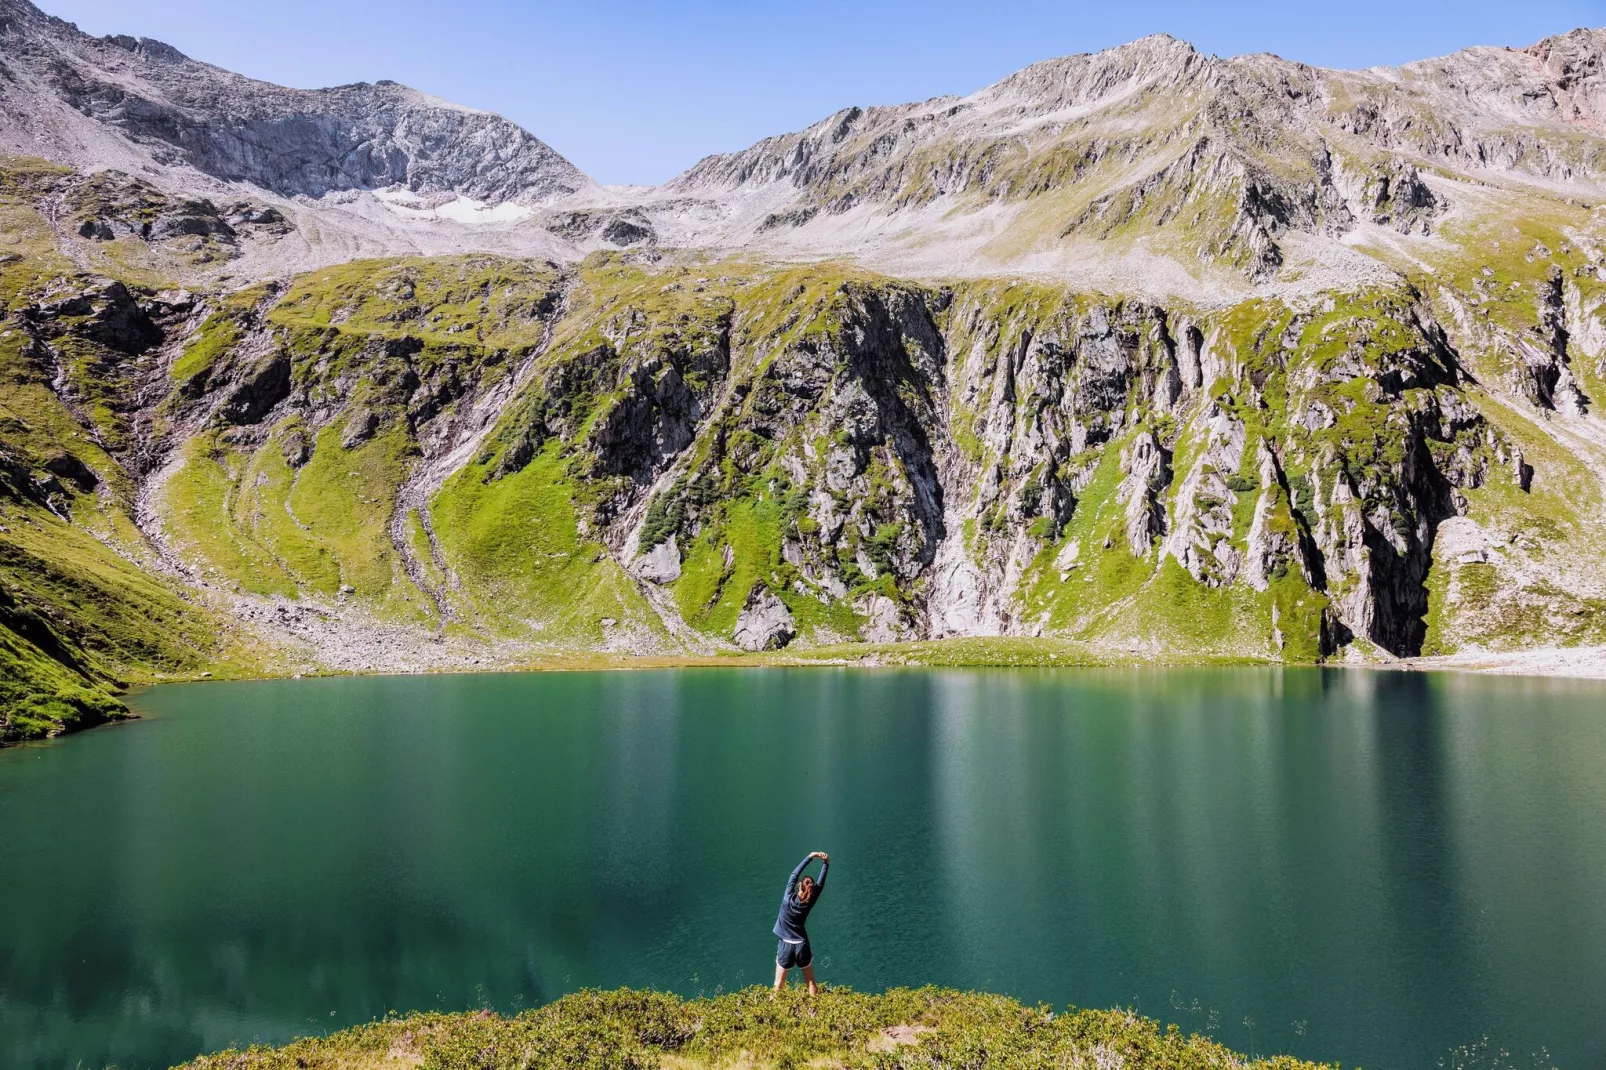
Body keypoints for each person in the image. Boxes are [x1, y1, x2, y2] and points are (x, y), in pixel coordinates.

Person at [772, 850, 829, 994]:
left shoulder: (787, 898)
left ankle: (771, 1014)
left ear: (799, 886)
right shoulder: (809, 903)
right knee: (810, 982)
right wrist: (826, 864)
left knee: (778, 984)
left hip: (785, 945)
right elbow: (820, 884)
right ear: (811, 891)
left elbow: (793, 875)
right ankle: (815, 1014)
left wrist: (810, 857)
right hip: (801, 945)